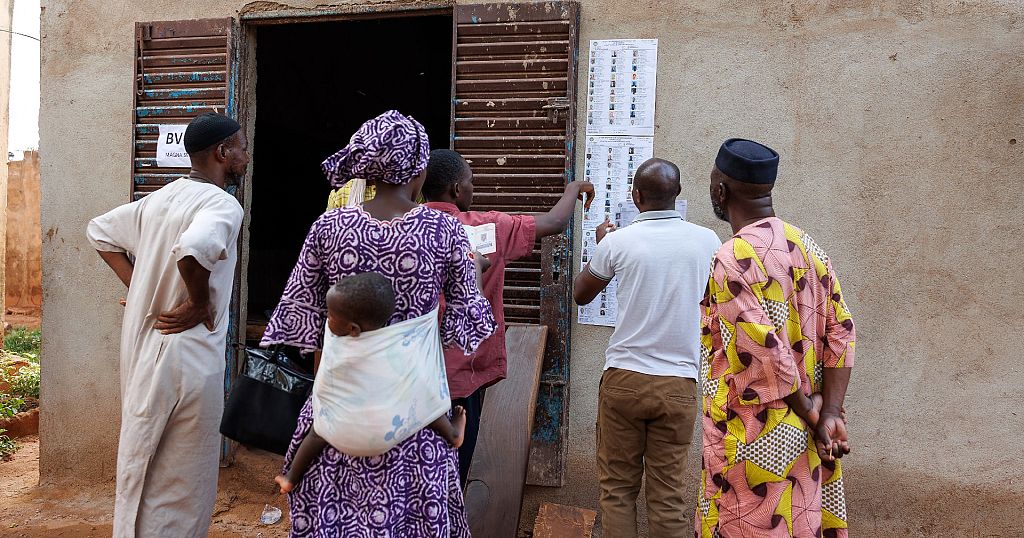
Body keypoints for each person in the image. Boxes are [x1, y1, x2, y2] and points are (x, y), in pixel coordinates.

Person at [261, 110, 495, 537]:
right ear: (419, 170)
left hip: (338, 411)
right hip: (415, 409)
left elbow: (304, 317)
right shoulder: (444, 230)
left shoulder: (329, 227)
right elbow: (470, 316)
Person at [87, 112, 248, 537]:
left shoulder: (159, 199)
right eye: (242, 148)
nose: (246, 157)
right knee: (183, 476)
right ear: (222, 152)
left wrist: (140, 285)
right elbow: (193, 250)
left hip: (145, 350)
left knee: (143, 456)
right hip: (188, 352)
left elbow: (99, 231)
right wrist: (198, 303)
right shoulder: (222, 204)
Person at [695, 139, 856, 538]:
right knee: (798, 523)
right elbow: (842, 330)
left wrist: (812, 412)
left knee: (744, 523)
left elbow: (764, 354)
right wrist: (830, 413)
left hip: (752, 434)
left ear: (720, 190)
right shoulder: (807, 245)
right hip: (806, 434)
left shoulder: (732, 257)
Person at [421, 149, 594, 485]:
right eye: (471, 182)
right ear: (457, 189)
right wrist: (573, 188)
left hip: (412, 374)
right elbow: (554, 222)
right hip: (461, 374)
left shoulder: (401, 228)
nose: (473, 188)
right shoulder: (486, 229)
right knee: (455, 468)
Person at [573, 158, 721, 537]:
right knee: (668, 494)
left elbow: (580, 294)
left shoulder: (618, 241)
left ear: (636, 197)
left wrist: (602, 247)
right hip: (679, 385)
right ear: (679, 195)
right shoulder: (708, 242)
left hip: (624, 379)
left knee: (618, 490)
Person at [274, 272, 467, 495]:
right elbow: (419, 379)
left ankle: (290, 478)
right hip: (386, 434)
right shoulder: (396, 348)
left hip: (338, 436)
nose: (327, 319)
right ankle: (453, 434)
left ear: (353, 329)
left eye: (331, 316)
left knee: (315, 433)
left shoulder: (338, 345)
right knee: (421, 397)